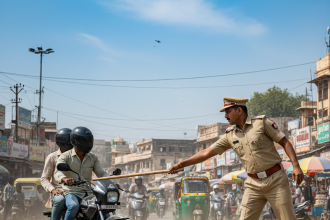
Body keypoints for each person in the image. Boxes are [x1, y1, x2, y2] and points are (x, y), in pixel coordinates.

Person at [168, 97, 304, 220]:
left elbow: (284, 141)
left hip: (275, 180)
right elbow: (206, 152)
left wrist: (296, 166)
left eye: (228, 111)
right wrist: (180, 164)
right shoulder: (229, 135)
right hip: (253, 184)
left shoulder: (262, 123)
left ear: (239, 110)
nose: (226, 116)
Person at [55, 127, 110, 220]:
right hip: (71, 192)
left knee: (103, 209)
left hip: (89, 192)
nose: (88, 143)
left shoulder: (93, 158)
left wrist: (110, 183)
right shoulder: (65, 156)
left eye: (89, 140)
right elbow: (57, 172)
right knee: (73, 206)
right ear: (76, 141)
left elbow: (101, 173)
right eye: (86, 140)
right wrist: (65, 179)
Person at [41, 128, 73, 220]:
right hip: (59, 191)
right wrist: (52, 190)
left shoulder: (76, 156)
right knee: (60, 201)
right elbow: (44, 179)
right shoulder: (52, 157)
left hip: (75, 191)